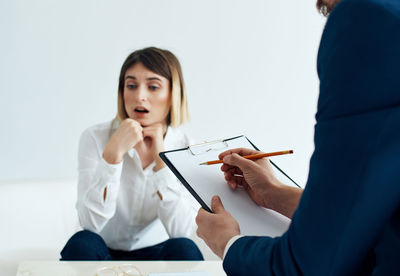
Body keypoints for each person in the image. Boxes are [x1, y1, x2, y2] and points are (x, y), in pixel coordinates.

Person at [196, 0, 400, 274]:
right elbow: (371, 214)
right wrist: (273, 193)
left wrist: (229, 244)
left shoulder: (367, 18)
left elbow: (307, 267)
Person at [61, 47, 203, 261]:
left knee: (184, 248)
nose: (140, 96)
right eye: (131, 86)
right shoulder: (94, 137)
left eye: (153, 87)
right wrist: (112, 155)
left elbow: (180, 230)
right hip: (102, 251)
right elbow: (89, 223)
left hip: (158, 252)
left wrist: (161, 162)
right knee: (81, 242)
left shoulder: (186, 147)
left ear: (173, 94)